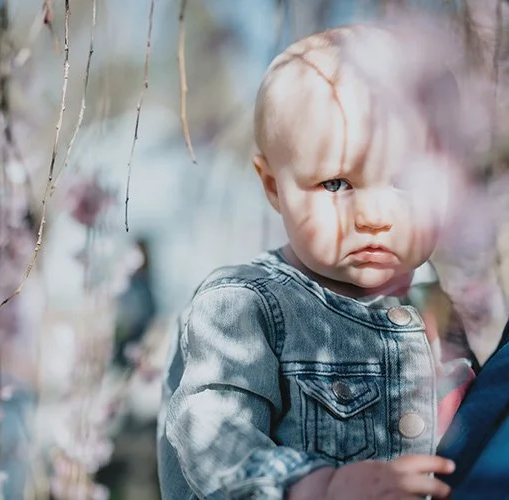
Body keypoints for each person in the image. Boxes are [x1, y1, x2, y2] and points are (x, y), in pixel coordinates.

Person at [156, 23, 481, 499]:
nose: (373, 216)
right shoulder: (246, 306)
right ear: (273, 187)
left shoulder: (436, 303)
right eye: (335, 184)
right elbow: (211, 432)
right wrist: (313, 486)